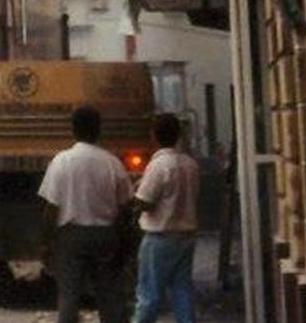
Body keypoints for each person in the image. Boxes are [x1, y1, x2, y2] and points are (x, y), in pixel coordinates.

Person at [39, 105, 133, 323]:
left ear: (73, 129)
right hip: (105, 236)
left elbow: (51, 207)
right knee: (110, 296)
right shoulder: (112, 162)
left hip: (71, 237)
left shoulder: (61, 161)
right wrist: (125, 241)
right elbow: (125, 208)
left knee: (69, 295)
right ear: (99, 130)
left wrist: (45, 243)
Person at [132, 113, 200, 323]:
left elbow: (145, 201)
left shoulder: (159, 165)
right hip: (186, 235)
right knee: (182, 290)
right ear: (178, 135)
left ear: (154, 136)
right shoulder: (191, 165)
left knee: (149, 294)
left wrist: (134, 198)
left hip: (159, 237)